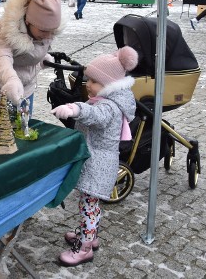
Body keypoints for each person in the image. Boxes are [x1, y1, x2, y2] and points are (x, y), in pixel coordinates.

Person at [52, 46, 138, 267]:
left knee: (89, 206)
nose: (88, 84)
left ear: (109, 85)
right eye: (88, 79)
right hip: (96, 160)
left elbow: (95, 116)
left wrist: (75, 109)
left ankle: (84, 247)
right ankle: (89, 234)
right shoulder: (108, 100)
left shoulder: (108, 106)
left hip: (98, 164)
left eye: (94, 81)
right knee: (90, 204)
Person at [0, 0, 62, 115]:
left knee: (24, 123)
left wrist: (42, 59)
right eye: (43, 30)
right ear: (28, 21)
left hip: (26, 83)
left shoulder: (46, 29)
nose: (48, 36)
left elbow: (34, 50)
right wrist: (11, 79)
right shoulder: (7, 29)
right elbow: (2, 56)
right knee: (1, 127)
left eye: (52, 31)